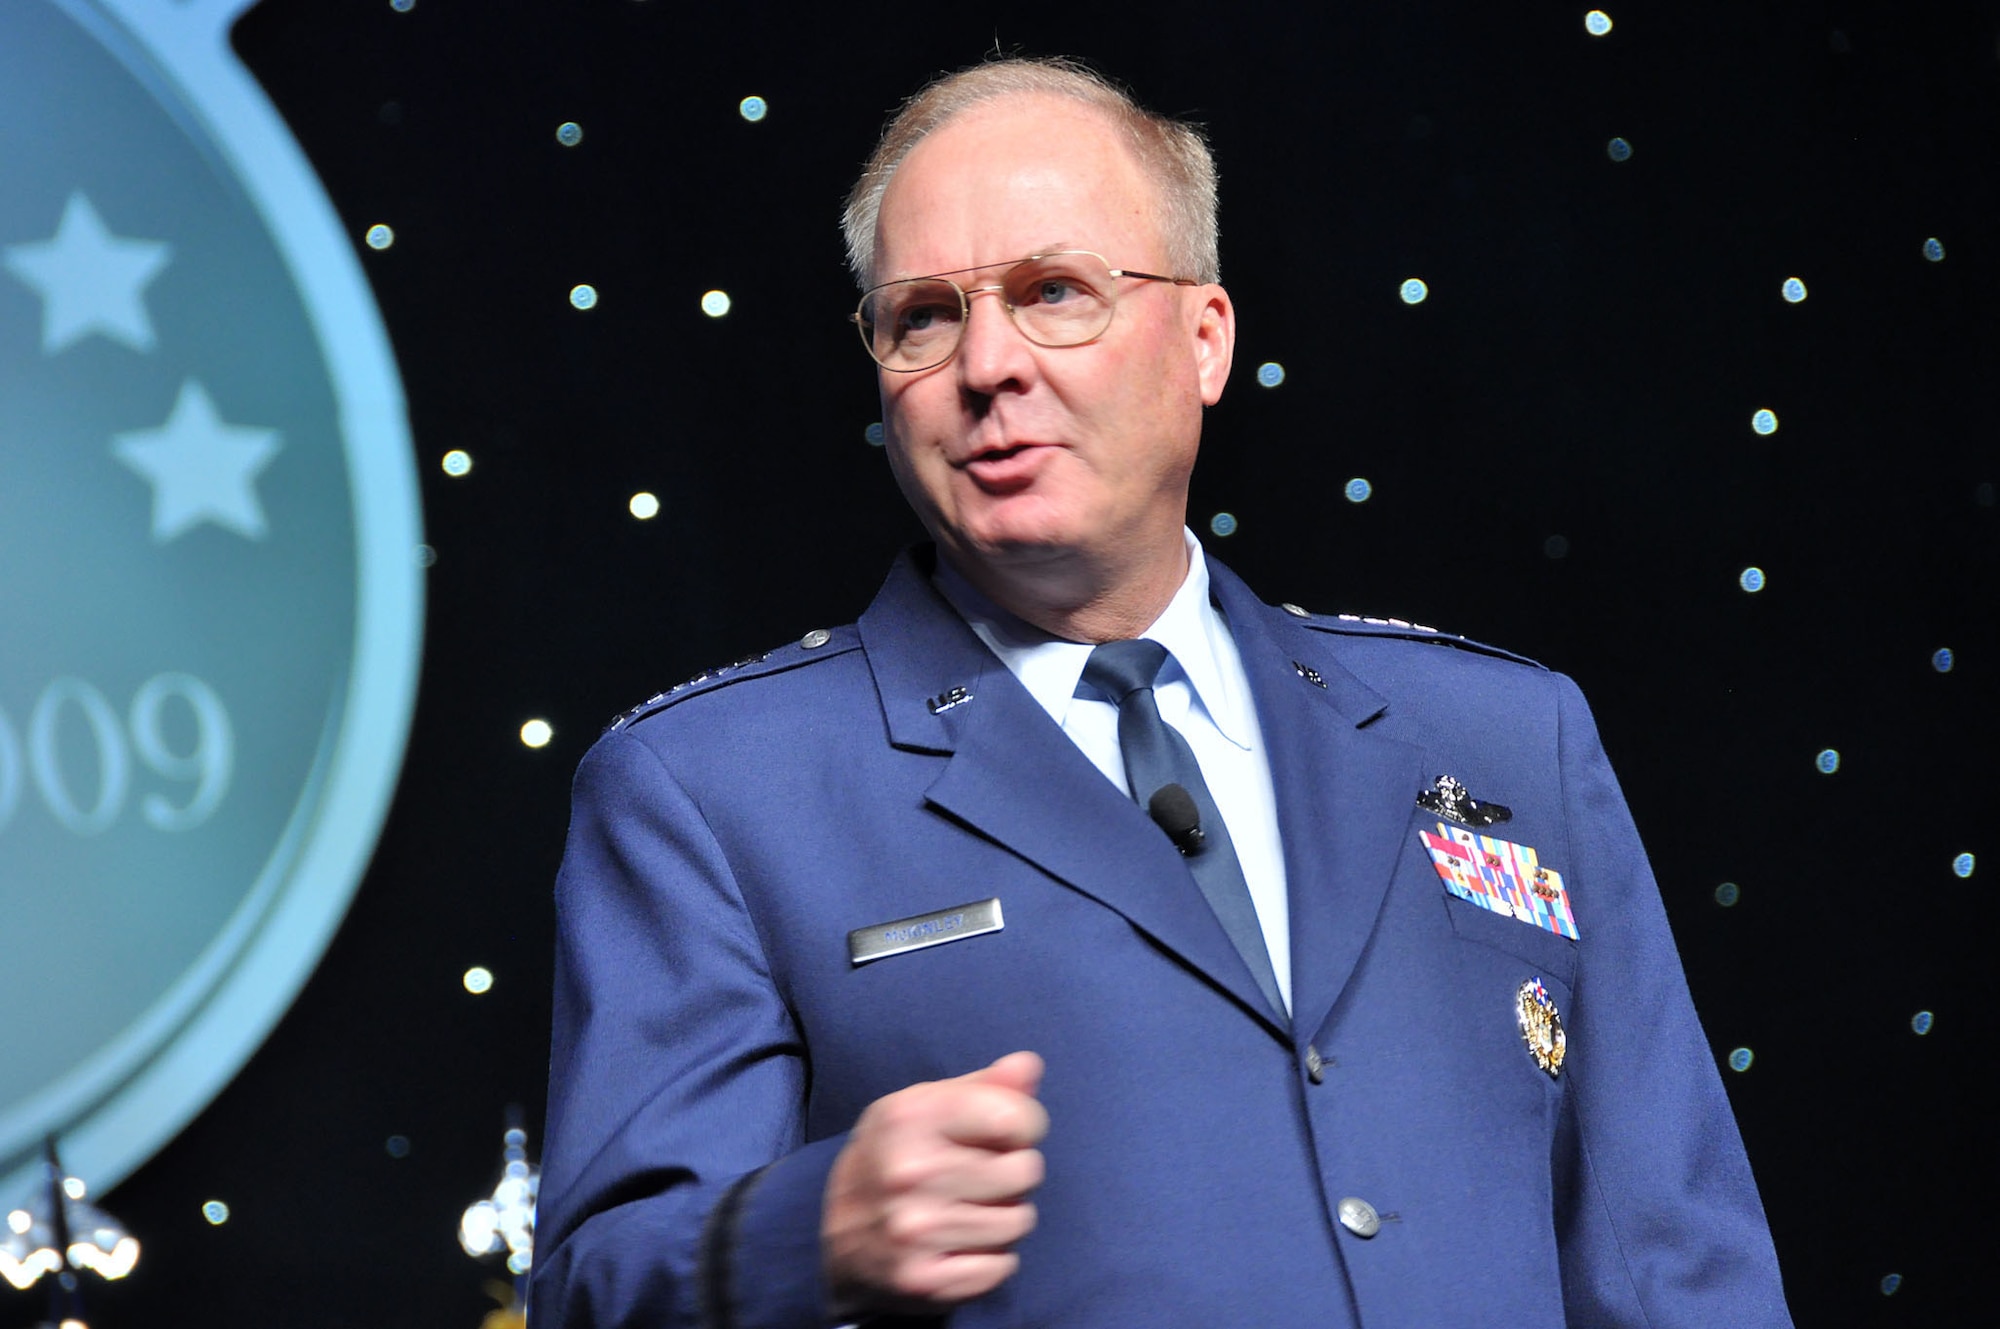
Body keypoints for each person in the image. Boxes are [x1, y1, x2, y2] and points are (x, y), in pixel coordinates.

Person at [530, 57, 1793, 1329]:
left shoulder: (1502, 737)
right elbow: (589, 1289)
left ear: (1204, 341)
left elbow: (1674, 1267)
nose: (984, 365)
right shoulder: (712, 788)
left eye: (1052, 293)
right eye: (919, 315)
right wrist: (802, 1235)